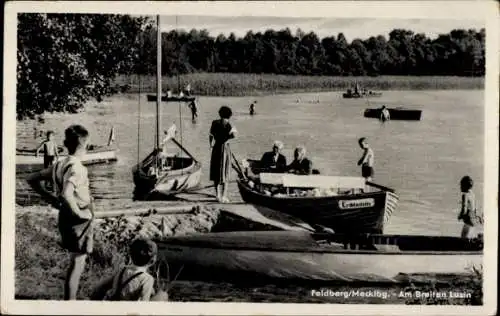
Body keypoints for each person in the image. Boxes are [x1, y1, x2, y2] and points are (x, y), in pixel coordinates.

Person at [27, 125, 95, 300]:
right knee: (78, 262)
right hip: (77, 218)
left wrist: (50, 198)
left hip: (64, 214)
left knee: (75, 260)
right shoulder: (78, 167)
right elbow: (67, 193)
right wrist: (80, 213)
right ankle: (70, 302)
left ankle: (70, 299)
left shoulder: (59, 163)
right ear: (84, 145)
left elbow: (32, 179)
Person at [91, 238, 168, 301]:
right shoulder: (147, 279)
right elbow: (143, 303)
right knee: (163, 295)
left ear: (131, 256)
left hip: (114, 305)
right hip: (129, 311)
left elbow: (100, 287)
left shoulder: (121, 270)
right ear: (153, 261)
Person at [209, 106, 237, 203]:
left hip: (216, 148)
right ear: (229, 115)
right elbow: (234, 135)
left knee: (216, 171)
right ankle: (224, 196)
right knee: (226, 171)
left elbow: (211, 136)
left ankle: (217, 195)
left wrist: (211, 145)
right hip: (225, 148)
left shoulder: (215, 123)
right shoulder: (229, 124)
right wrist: (226, 139)